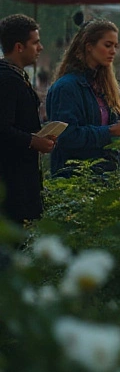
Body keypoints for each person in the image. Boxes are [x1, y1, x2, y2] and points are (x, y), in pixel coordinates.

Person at [46, 19, 120, 178]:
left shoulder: (103, 85)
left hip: (106, 176)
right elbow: (67, 136)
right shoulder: (66, 87)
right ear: (89, 46)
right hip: (76, 180)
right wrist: (110, 131)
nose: (113, 51)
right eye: (107, 45)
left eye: (115, 46)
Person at [0, 15, 54, 222]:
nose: (40, 48)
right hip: (12, 181)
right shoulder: (7, 80)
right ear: (19, 47)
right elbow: (3, 128)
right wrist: (33, 141)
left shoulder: (16, 76)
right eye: (35, 42)